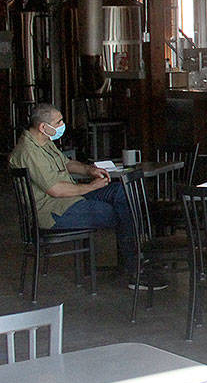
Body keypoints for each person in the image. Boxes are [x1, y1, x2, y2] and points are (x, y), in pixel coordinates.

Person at [8, 103, 159, 289]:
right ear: (43, 127)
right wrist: (90, 187)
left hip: (71, 199)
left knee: (121, 192)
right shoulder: (28, 152)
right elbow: (55, 190)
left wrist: (89, 170)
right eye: (58, 122)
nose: (62, 125)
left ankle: (135, 261)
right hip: (54, 211)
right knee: (119, 212)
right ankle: (137, 270)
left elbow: (66, 163)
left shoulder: (43, 141)